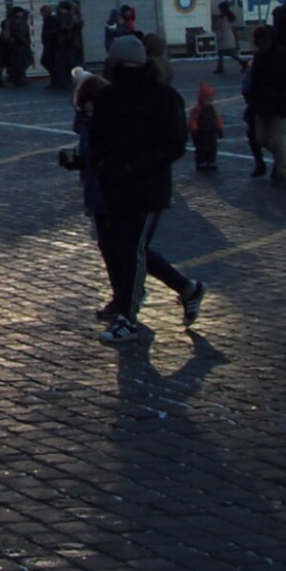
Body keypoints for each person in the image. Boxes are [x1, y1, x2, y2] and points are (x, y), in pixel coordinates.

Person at [86, 35, 202, 344]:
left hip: (145, 187)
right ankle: (187, 289)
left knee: (131, 250)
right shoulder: (116, 97)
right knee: (127, 248)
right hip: (119, 185)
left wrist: (130, 166)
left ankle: (128, 316)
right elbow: (99, 138)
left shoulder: (161, 98)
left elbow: (174, 145)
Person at [245, 25, 286, 184]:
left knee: (276, 138)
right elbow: (254, 81)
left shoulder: (281, 56)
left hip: (278, 102)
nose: (261, 43)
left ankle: (281, 171)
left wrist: (285, 101)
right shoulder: (259, 57)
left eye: (264, 39)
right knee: (261, 138)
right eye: (259, 40)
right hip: (261, 103)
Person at [190, 83, 223, 171]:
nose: (209, 102)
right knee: (201, 149)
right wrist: (194, 130)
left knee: (212, 147)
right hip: (201, 133)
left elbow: (217, 120)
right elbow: (193, 120)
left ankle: (211, 161)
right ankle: (201, 162)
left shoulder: (212, 110)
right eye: (207, 100)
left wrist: (220, 129)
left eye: (210, 100)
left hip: (211, 133)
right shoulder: (198, 109)